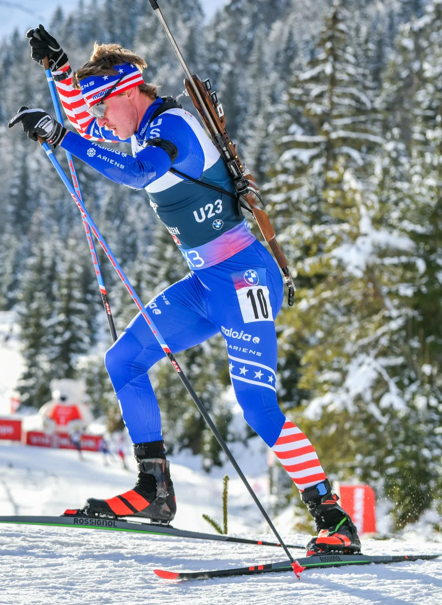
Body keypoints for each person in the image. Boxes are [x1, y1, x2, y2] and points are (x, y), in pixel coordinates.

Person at [9, 25, 361, 554]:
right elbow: (84, 123)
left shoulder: (173, 128)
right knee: (123, 360)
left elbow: (135, 173)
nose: (100, 118)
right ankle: (154, 489)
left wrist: (61, 136)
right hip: (205, 283)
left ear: (128, 92)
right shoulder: (138, 123)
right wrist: (61, 72)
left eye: (104, 105)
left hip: (244, 278)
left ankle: (334, 519)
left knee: (257, 405)